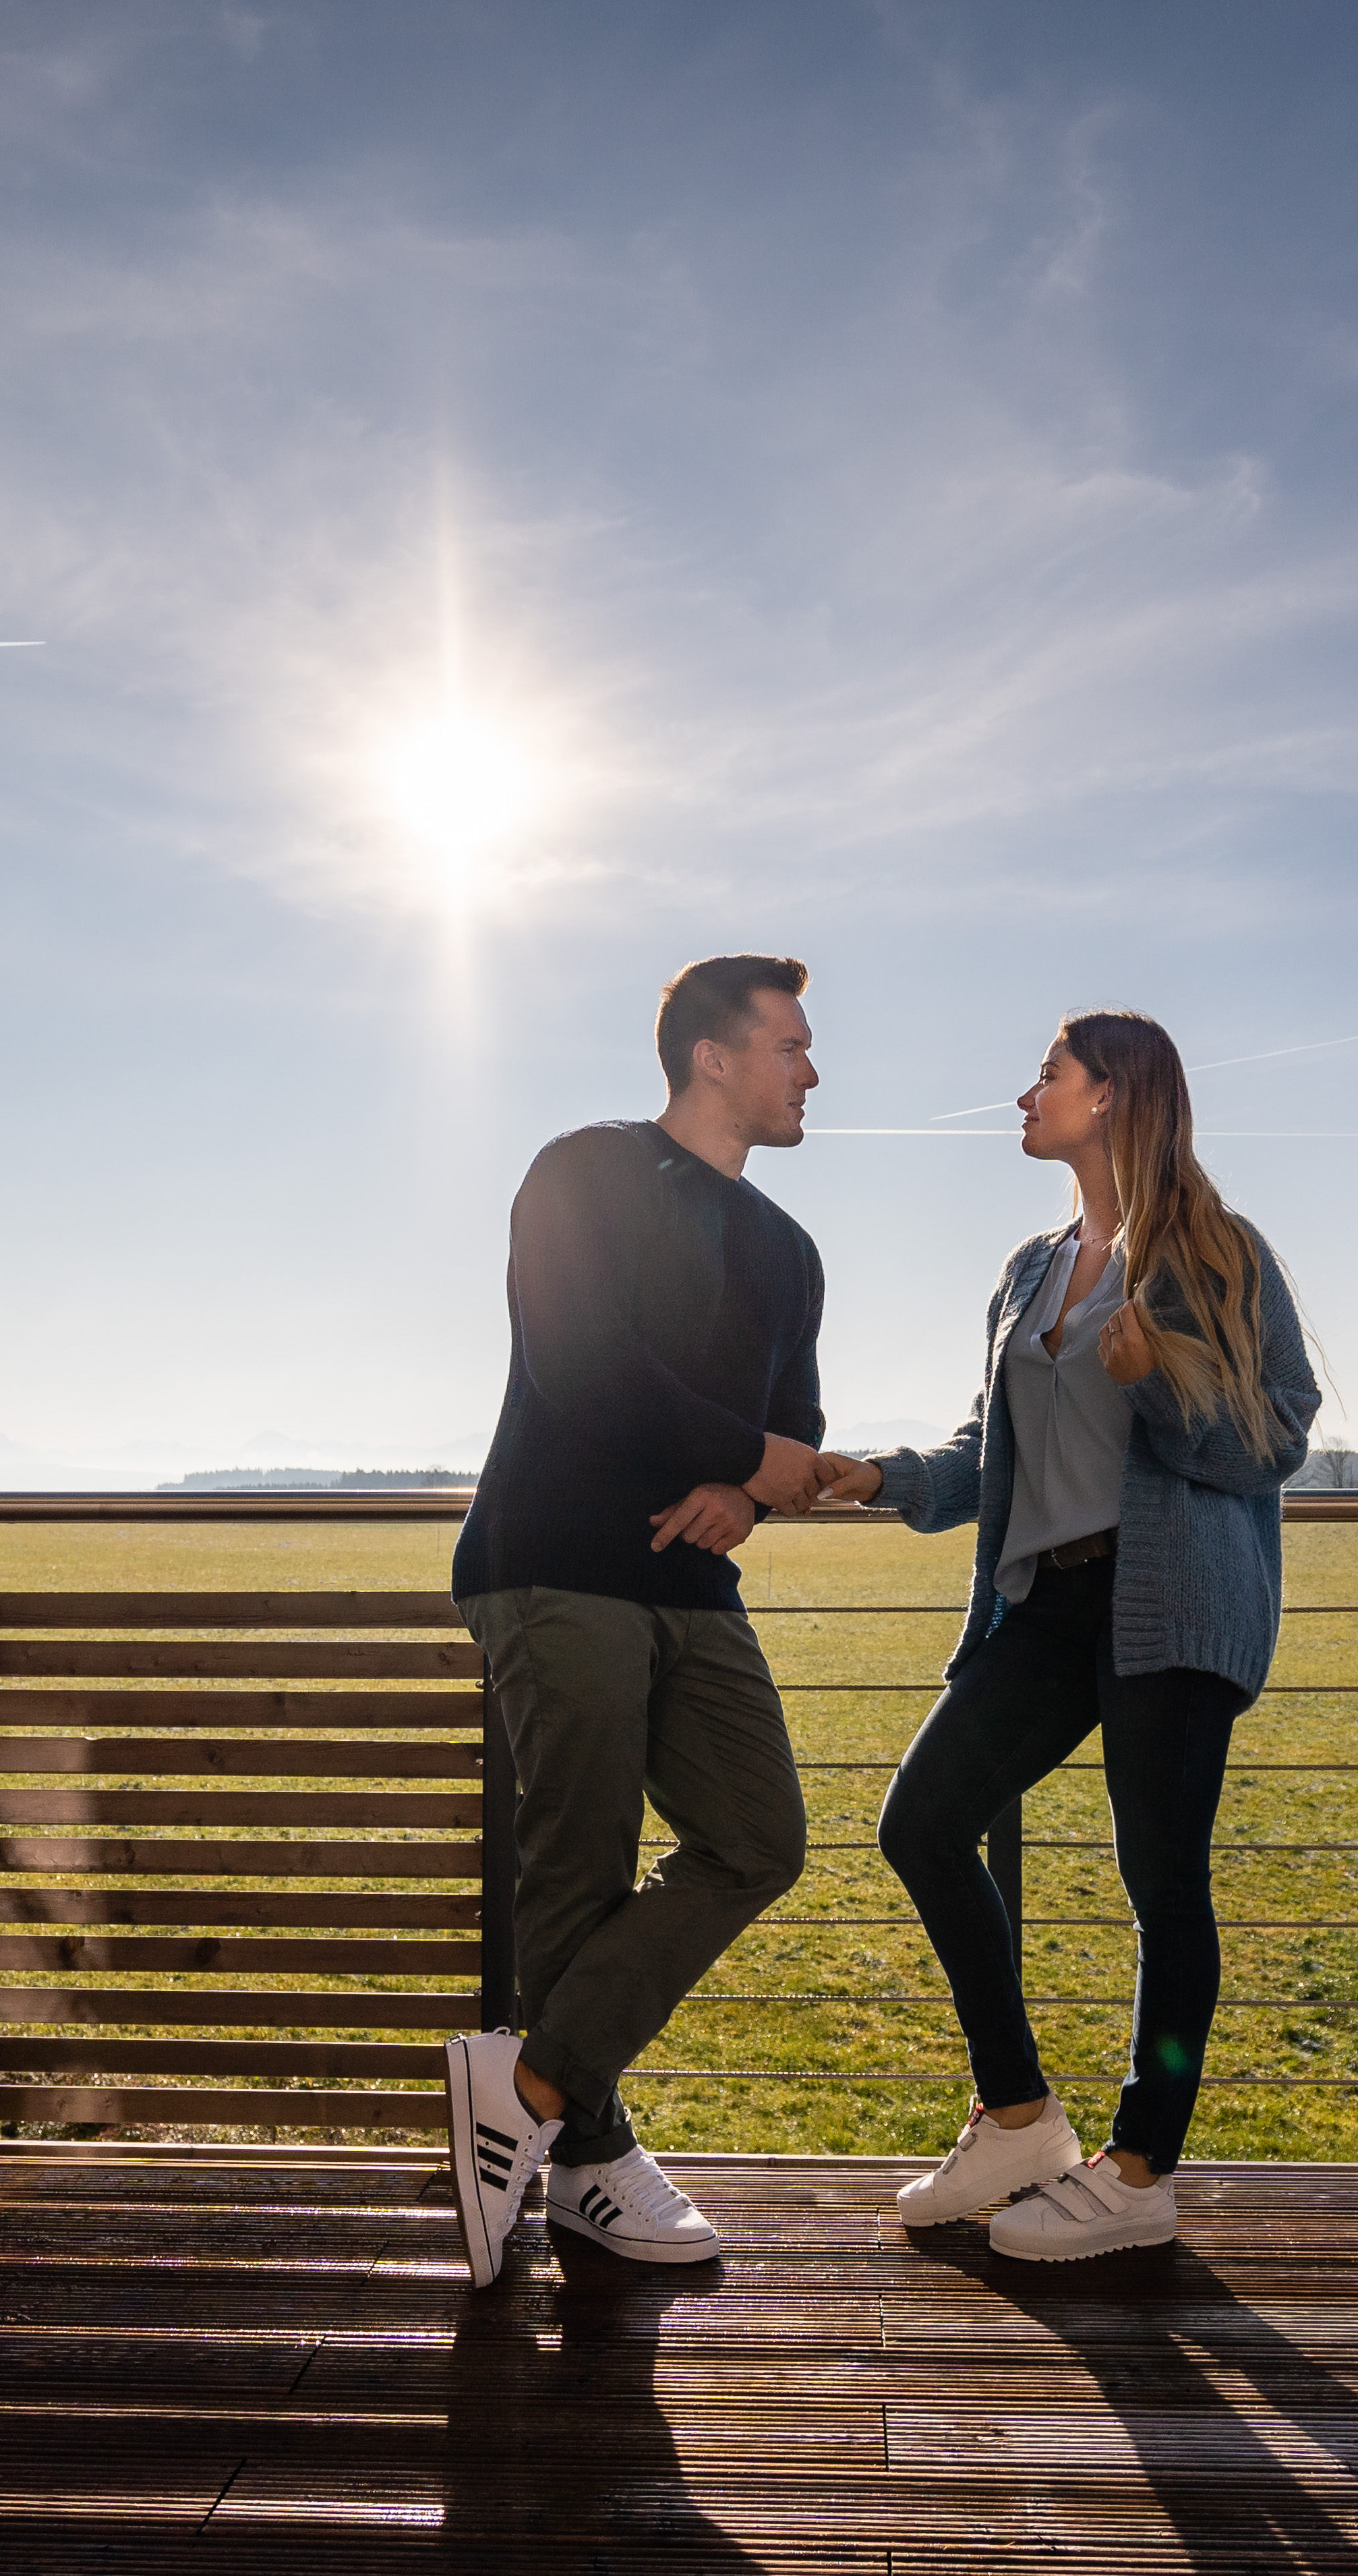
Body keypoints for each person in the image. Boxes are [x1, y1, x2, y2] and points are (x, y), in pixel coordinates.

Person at [816, 1008, 1316, 2260]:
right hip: (1042, 1605)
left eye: (1048, 1073)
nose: (1025, 1092)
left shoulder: (1217, 1251)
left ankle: (1141, 2168)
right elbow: (997, 1448)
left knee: (1162, 1886)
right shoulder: (1031, 1267)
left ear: (1113, 1096)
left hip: (1173, 1605)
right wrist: (879, 1478)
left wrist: (1165, 1380)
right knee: (921, 1822)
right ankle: (1020, 2116)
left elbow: (1280, 1436)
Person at [440, 953, 832, 2287]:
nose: (810, 1071)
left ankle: (532, 2088)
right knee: (579, 1861)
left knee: (759, 1836)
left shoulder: (789, 1248)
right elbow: (581, 1363)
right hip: (553, 1563)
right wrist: (745, 1457)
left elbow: (801, 1432)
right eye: (790, 1044)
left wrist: (747, 1489)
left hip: (689, 1585)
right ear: (712, 1056)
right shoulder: (580, 1172)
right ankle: (591, 2168)